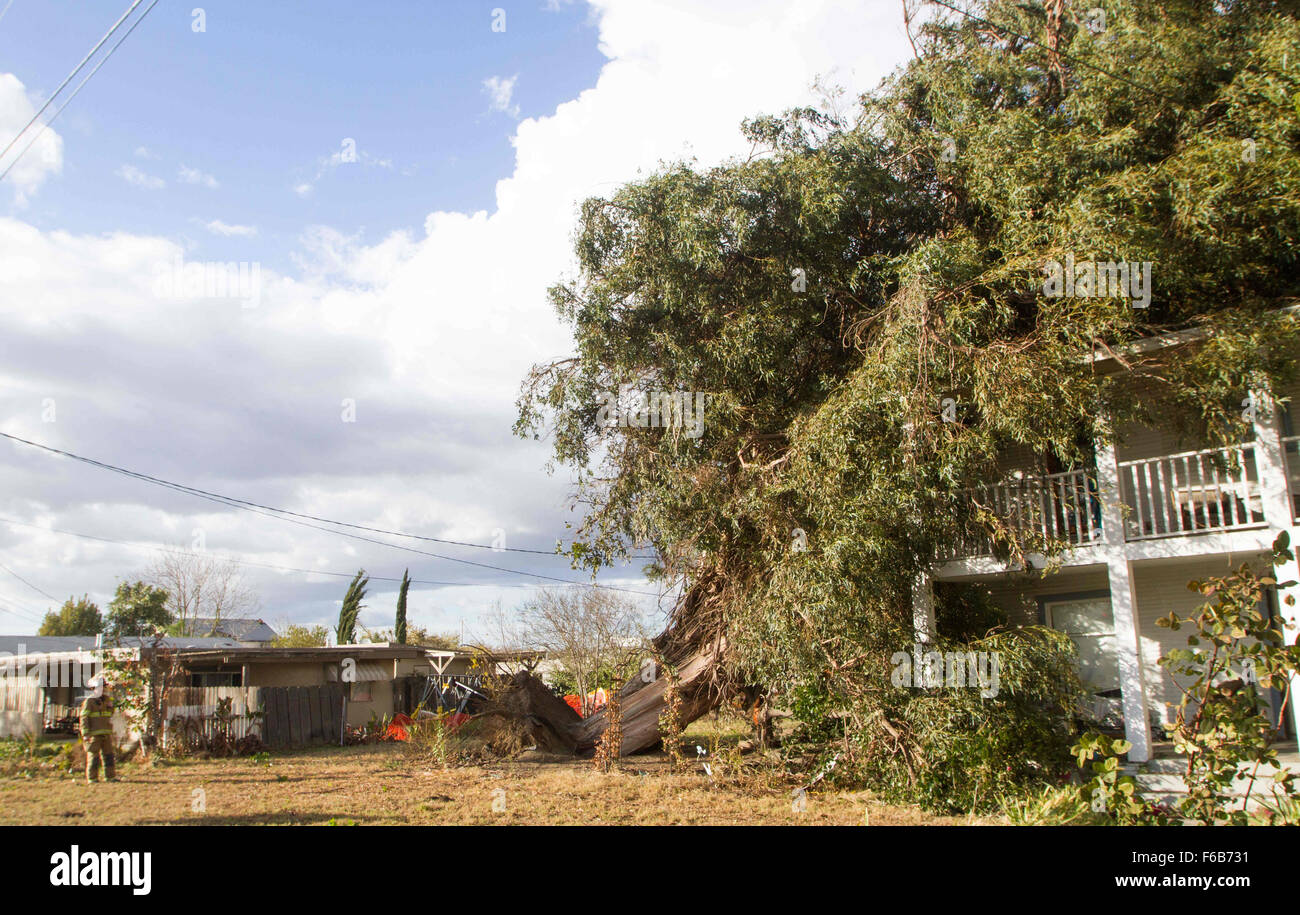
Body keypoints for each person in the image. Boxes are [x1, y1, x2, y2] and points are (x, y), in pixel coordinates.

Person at [79, 677, 117, 784]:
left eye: (103, 688)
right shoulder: (89, 702)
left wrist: (110, 708)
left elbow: (109, 715)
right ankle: (92, 778)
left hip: (106, 733)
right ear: (93, 689)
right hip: (93, 735)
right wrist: (85, 734)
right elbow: (84, 718)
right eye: (99, 688)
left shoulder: (107, 700)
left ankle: (110, 777)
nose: (102, 690)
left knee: (109, 756)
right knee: (93, 757)